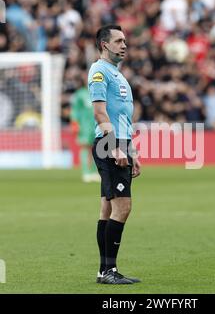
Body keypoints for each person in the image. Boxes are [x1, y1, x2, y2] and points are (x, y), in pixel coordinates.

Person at [88, 24, 141, 284]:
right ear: (104, 44)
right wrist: (116, 147)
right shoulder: (99, 71)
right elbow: (100, 113)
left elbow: (122, 118)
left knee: (107, 208)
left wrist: (132, 151)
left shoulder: (117, 74)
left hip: (119, 142)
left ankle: (104, 271)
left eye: (125, 41)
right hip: (108, 142)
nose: (124, 45)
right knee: (123, 207)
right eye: (119, 41)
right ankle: (109, 271)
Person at [71, 72, 99, 183]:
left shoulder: (96, 92)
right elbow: (75, 111)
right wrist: (75, 123)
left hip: (96, 124)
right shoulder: (79, 94)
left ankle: (94, 172)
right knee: (86, 148)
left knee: (96, 149)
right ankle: (86, 172)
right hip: (85, 125)